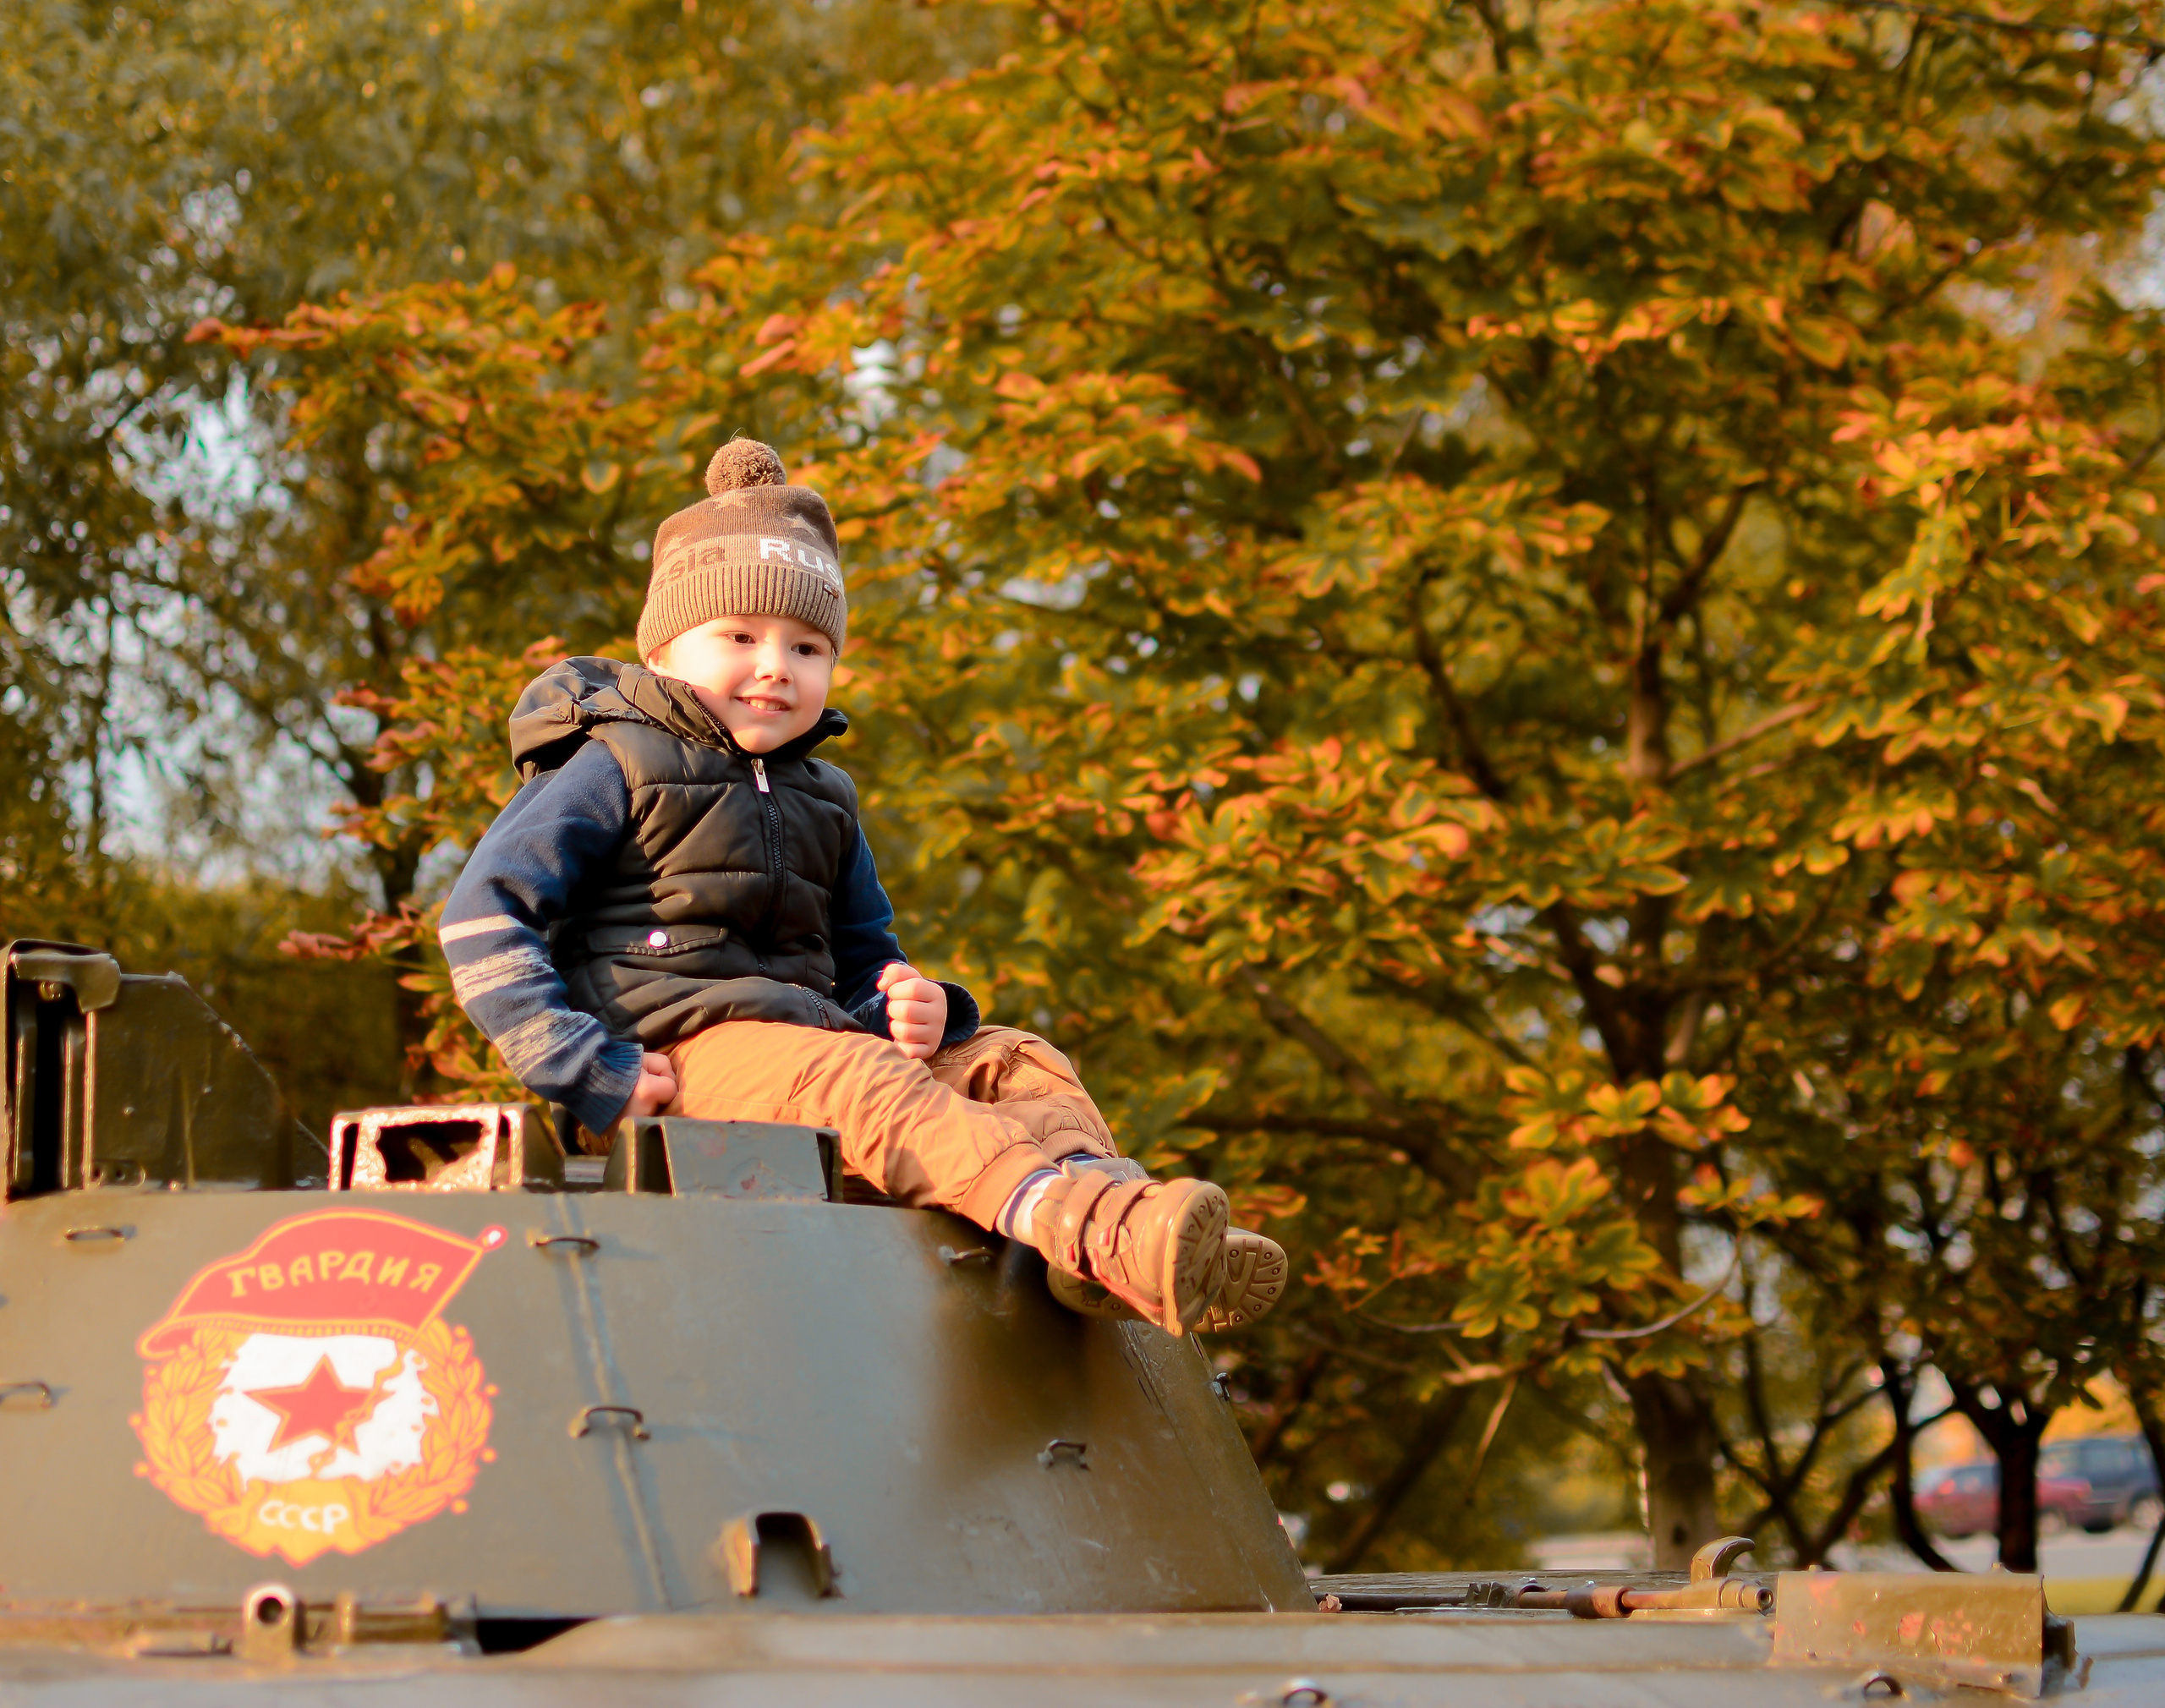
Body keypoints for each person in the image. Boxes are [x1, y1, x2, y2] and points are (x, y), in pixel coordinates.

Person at [437, 439, 1285, 1337]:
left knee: (1010, 1054)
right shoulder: (614, 762)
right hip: (671, 1066)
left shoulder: (824, 798)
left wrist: (913, 1006)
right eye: (739, 637)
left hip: (817, 1050)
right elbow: (483, 920)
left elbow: (864, 961)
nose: (776, 666)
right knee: (858, 1076)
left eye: (806, 646)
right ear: (663, 649)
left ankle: (1119, 1223)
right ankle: (1069, 1225)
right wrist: (587, 1069)